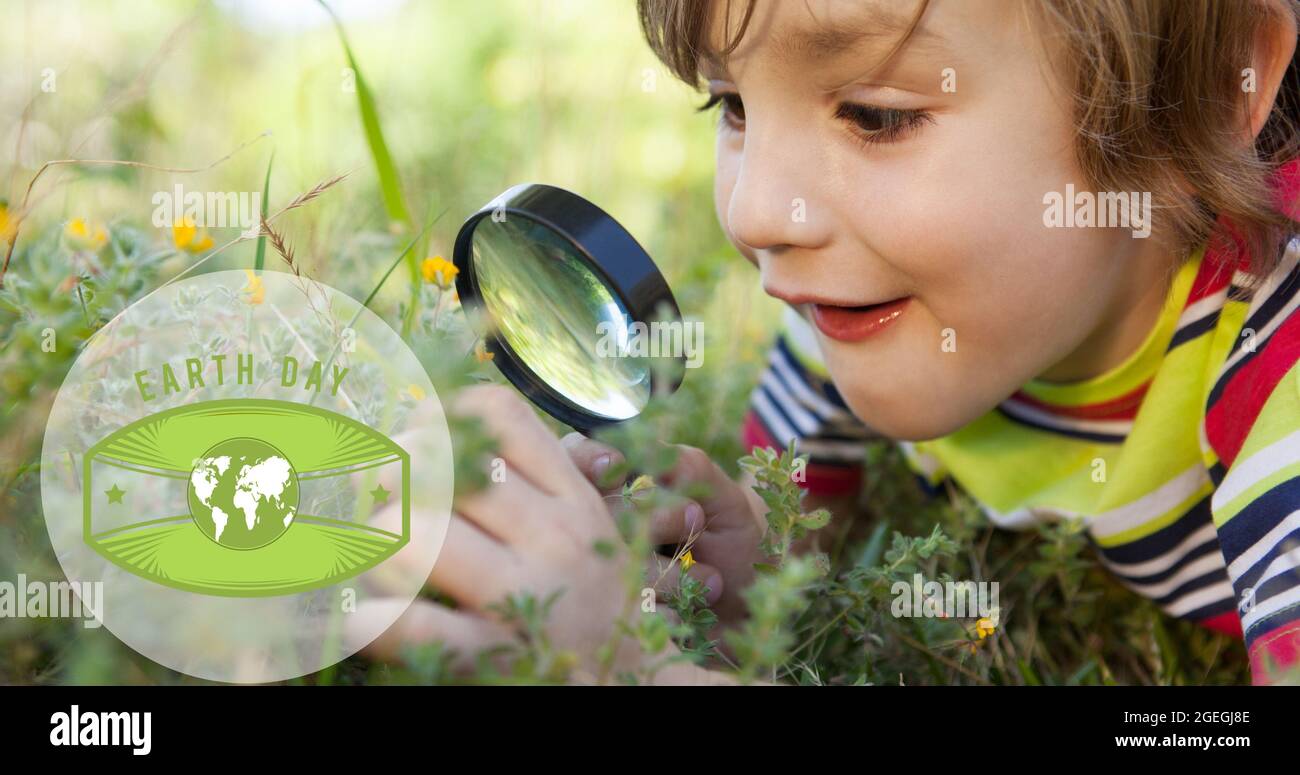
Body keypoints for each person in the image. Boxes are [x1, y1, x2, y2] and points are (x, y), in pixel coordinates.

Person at [355, 0, 1300, 684]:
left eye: (876, 114)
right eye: (730, 105)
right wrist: (750, 595)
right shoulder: (856, 308)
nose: (761, 211)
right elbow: (804, 574)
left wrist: (622, 672)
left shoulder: (1279, 359)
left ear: (1216, 96)